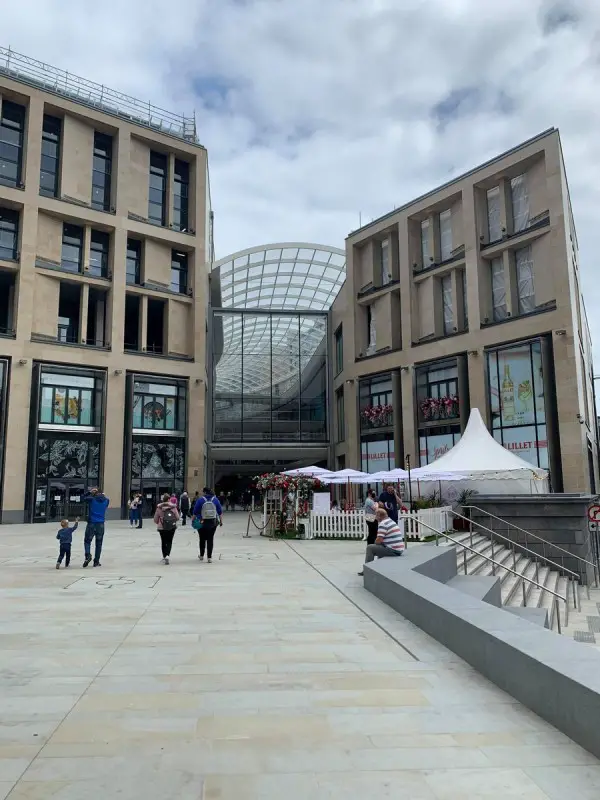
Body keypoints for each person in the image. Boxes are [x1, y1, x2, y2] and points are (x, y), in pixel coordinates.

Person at [358, 508, 404, 576]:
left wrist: (377, 543)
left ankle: (366, 571)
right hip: (398, 549)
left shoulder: (383, 524)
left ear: (379, 516)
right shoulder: (391, 521)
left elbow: (378, 540)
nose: (375, 517)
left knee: (370, 548)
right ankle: (379, 568)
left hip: (394, 550)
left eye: (376, 515)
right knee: (379, 547)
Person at [192, 487, 223, 563]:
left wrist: (193, 520)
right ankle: (209, 557)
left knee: (202, 539)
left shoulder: (200, 500)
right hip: (212, 522)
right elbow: (220, 512)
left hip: (201, 521)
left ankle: (201, 555)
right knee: (210, 539)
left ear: (205, 492)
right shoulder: (215, 500)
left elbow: (195, 512)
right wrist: (221, 521)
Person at [82, 487, 110, 568]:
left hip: (92, 523)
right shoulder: (106, 500)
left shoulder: (91, 499)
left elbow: (82, 498)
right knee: (99, 543)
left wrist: (89, 492)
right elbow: (105, 500)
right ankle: (96, 561)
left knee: (87, 541)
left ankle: (88, 555)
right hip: (101, 524)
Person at [154, 493, 180, 565]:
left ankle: (164, 555)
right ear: (169, 499)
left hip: (162, 527)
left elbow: (155, 519)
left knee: (163, 541)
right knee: (169, 541)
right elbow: (177, 517)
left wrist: (160, 522)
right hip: (171, 527)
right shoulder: (173, 507)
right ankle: (168, 555)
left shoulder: (159, 508)